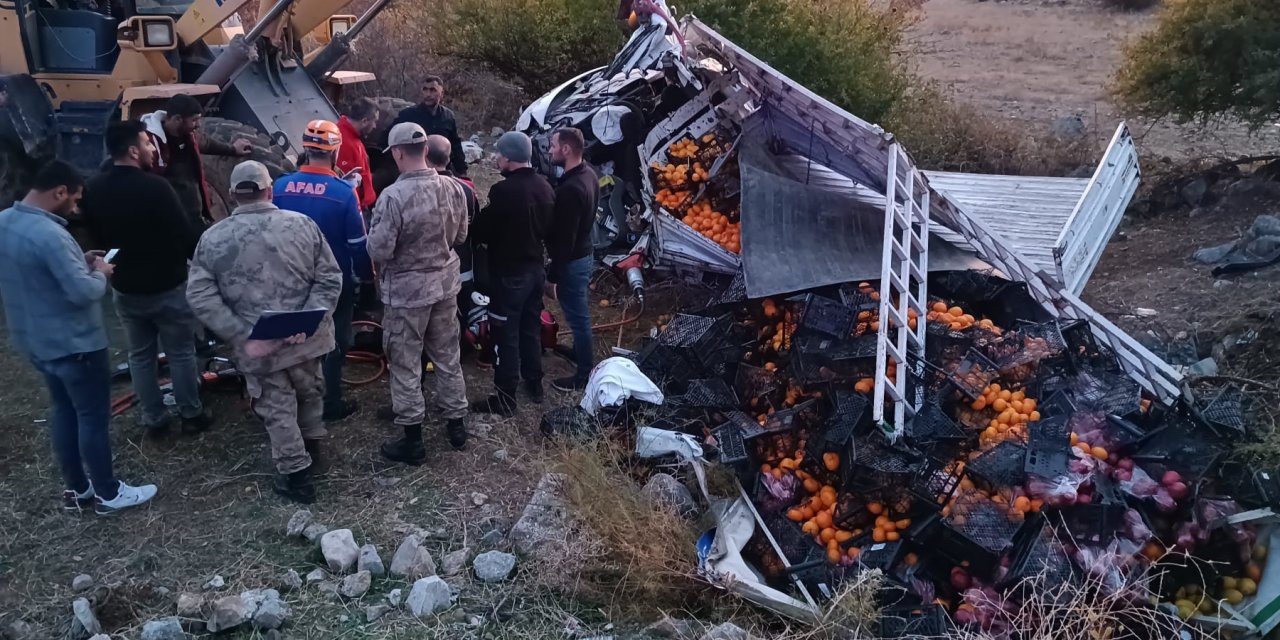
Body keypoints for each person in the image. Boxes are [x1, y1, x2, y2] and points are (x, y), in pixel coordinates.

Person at [0, 160, 158, 514]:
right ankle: (108, 492)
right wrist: (101, 273)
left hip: (36, 342)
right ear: (59, 192)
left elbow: (39, 274)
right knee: (92, 416)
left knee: (63, 412)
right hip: (75, 346)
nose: (75, 207)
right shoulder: (51, 234)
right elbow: (83, 293)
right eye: (74, 199)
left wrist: (78, 259)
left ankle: (77, 488)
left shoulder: (5, 223)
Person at [187, 161, 343, 504]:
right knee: (310, 392)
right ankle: (314, 451)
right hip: (306, 341)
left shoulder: (212, 238)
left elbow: (199, 295)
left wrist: (243, 334)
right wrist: (307, 321)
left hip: (260, 348)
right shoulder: (304, 225)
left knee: (276, 408)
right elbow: (330, 277)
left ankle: (297, 476)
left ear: (231, 195)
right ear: (270, 190)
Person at [81, 120, 212, 437]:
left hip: (126, 288)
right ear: (132, 150)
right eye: (147, 143)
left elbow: (96, 239)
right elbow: (183, 233)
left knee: (140, 357)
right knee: (181, 352)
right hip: (167, 286)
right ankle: (191, 414)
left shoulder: (93, 189)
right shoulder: (157, 188)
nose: (153, 148)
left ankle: (154, 419)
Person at [368, 123, 470, 461]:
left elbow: (380, 250)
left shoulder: (393, 197)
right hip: (444, 285)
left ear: (397, 153)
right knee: (447, 356)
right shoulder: (454, 187)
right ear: (426, 150)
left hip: (407, 294)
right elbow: (460, 237)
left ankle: (413, 439)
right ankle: (456, 425)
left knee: (406, 362)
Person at [272, 120, 374, 423]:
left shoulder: (279, 186)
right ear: (335, 150)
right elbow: (357, 243)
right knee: (335, 340)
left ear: (306, 148)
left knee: (291, 336)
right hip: (333, 280)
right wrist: (366, 274)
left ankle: (291, 397)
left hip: (290, 277)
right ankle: (329, 402)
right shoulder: (343, 193)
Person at [470, 132, 555, 416]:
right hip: (535, 271)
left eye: (499, 155)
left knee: (504, 334)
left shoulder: (503, 192)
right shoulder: (545, 186)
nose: (496, 159)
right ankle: (535, 383)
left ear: (508, 157)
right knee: (530, 328)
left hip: (509, 274)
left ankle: (505, 397)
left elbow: (481, 229)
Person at [140, 94, 252, 224]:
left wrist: (232, 149)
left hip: (194, 213)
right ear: (177, 119)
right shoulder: (149, 143)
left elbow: (206, 143)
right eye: (194, 120)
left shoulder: (188, 135)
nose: (198, 125)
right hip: (170, 217)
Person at [546, 127, 600, 392]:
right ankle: (580, 354)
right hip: (584, 252)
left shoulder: (571, 189)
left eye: (553, 145)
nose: (550, 150)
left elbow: (565, 239)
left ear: (566, 149)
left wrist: (554, 274)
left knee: (578, 318)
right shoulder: (588, 173)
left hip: (573, 259)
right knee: (577, 313)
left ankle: (583, 374)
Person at [425, 134, 482, 318]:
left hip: (425, 275)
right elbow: (476, 230)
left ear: (425, 154)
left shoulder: (416, 190)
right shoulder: (466, 190)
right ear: (449, 159)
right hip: (461, 267)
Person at [392, 76, 467, 177]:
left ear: (442, 93)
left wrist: (462, 170)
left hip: (441, 168)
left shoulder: (448, 116)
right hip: (415, 168)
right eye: (425, 89)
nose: (428, 94)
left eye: (433, 90)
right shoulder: (408, 115)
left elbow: (455, 144)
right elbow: (391, 140)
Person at [336, 97, 380, 211]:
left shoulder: (354, 138)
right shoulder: (343, 141)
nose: (375, 126)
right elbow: (345, 184)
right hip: (353, 207)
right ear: (364, 121)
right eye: (374, 121)